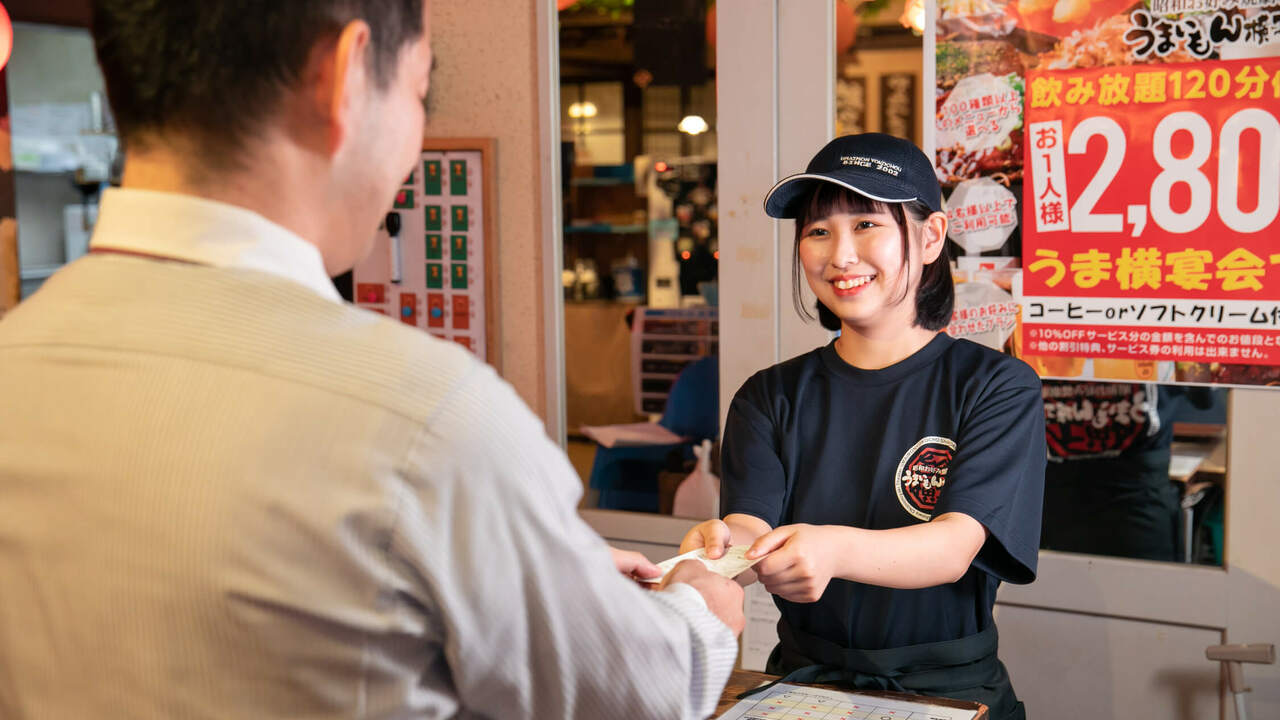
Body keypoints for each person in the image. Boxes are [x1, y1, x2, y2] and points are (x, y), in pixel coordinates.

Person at [0, 2, 744, 718]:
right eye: (421, 89)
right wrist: (698, 610)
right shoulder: (425, 414)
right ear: (346, 75)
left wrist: (541, 570)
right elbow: (641, 693)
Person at [681, 134, 1045, 719]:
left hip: (946, 695)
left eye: (867, 225)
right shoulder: (769, 396)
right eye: (818, 231)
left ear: (930, 237)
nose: (840, 256)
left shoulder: (995, 386)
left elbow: (954, 545)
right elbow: (750, 527)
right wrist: (712, 561)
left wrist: (831, 548)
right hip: (800, 691)